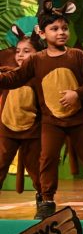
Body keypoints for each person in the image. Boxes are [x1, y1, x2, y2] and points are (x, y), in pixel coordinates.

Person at [0, 0, 83, 219]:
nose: (61, 32)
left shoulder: (77, 56)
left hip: (78, 120)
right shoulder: (37, 60)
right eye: (54, 29)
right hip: (52, 122)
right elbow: (15, 78)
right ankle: (47, 200)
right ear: (42, 34)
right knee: (48, 159)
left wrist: (76, 94)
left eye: (64, 28)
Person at [0, 26, 44, 217]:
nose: (20, 55)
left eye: (26, 51)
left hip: (31, 132)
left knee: (37, 169)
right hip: (7, 129)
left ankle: (44, 199)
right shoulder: (8, 75)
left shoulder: (39, 78)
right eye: (18, 51)